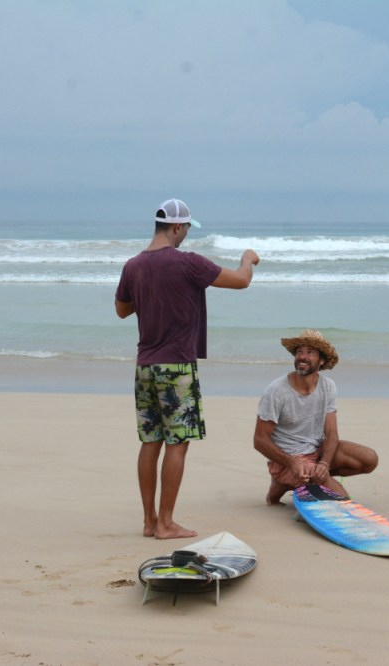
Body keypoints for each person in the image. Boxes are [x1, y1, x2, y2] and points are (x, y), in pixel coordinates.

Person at [115, 198, 259, 539]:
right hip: (177, 366)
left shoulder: (133, 265)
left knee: (150, 442)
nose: (186, 237)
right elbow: (240, 281)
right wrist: (248, 259)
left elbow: (122, 310)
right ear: (177, 227)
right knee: (177, 444)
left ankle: (150, 521)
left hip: (145, 366)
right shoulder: (188, 263)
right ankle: (166, 523)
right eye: (186, 230)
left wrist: (153, 296)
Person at [253, 329, 378, 505]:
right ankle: (283, 477)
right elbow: (259, 440)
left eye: (310, 352)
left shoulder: (328, 386)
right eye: (299, 352)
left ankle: (293, 481)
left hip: (315, 450)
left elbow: (332, 433)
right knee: (343, 502)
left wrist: (324, 464)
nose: (302, 357)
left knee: (369, 459)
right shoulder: (276, 391)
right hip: (291, 456)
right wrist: (292, 463)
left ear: (321, 360)